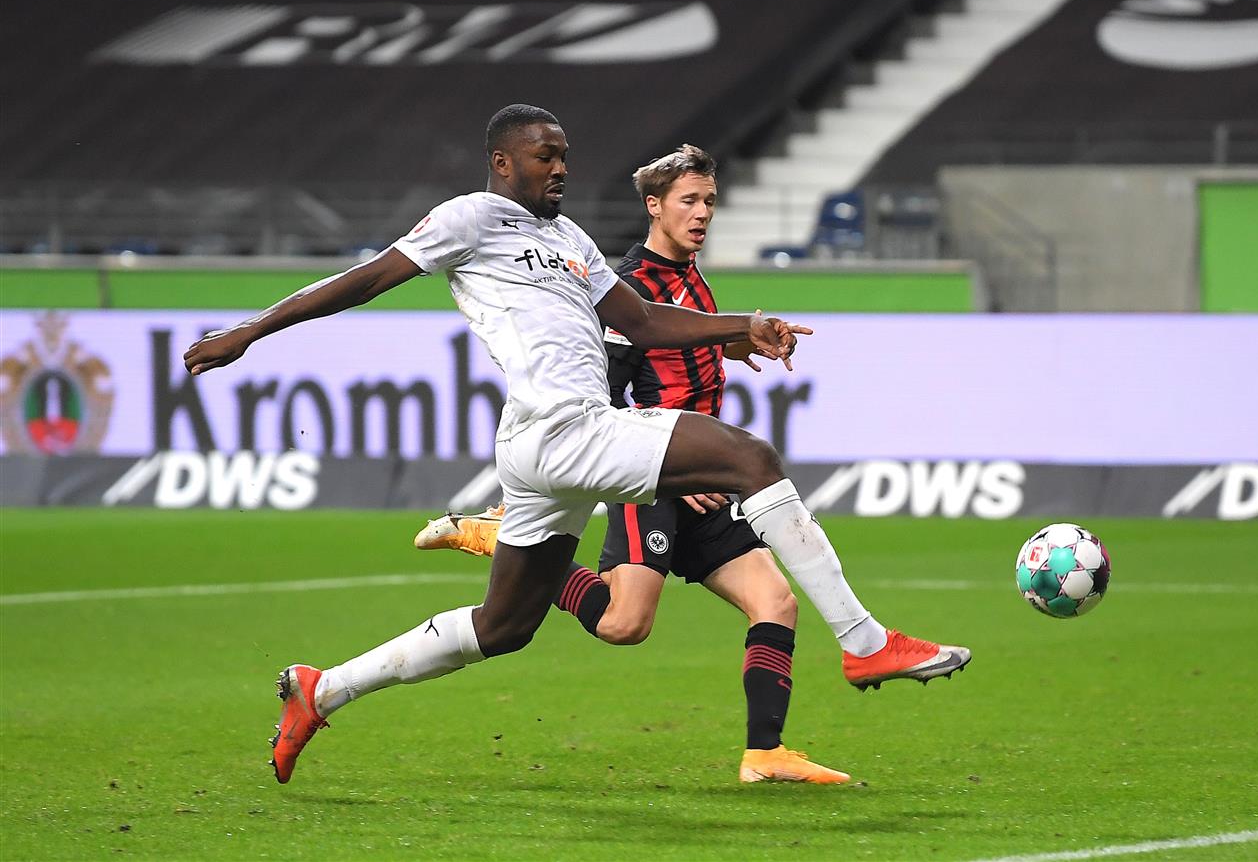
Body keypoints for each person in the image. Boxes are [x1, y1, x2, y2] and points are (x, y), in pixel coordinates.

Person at [182, 106, 966, 788]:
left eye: (564, 157)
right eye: (544, 155)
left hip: (542, 448)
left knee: (505, 625)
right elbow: (366, 278)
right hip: (561, 429)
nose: (560, 168)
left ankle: (319, 691)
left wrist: (742, 326)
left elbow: (648, 322)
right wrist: (251, 331)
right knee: (751, 457)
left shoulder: (571, 240)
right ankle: (864, 642)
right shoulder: (468, 218)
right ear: (502, 162)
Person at [417, 145, 970, 700]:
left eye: (709, 200)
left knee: (775, 602)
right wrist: (677, 465)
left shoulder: (689, 278)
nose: (702, 212)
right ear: (654, 206)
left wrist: (730, 343)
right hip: (659, 475)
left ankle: (766, 755)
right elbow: (602, 397)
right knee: (623, 624)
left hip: (703, 480)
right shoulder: (628, 284)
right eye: (689, 200)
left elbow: (670, 353)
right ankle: (504, 540)